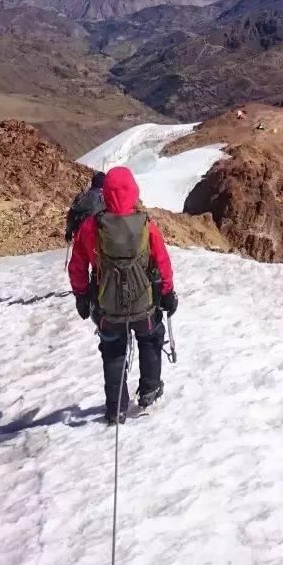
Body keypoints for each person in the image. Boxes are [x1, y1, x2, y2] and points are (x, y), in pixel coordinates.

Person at [68, 165, 178, 425]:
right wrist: (168, 292)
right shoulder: (146, 225)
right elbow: (161, 262)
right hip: (145, 305)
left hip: (108, 308)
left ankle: (116, 408)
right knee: (150, 339)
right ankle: (149, 390)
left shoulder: (90, 227)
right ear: (133, 191)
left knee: (113, 352)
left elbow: (78, 265)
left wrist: (82, 295)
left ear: (104, 193)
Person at [65, 172, 106, 242]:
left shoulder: (87, 196)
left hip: (85, 234)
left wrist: (69, 231)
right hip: (104, 236)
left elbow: (73, 212)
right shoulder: (110, 196)